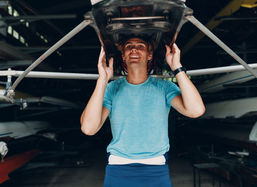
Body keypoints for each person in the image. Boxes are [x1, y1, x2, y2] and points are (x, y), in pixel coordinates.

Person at [80, 37, 205, 187]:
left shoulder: (164, 87)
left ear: (149, 55)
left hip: (156, 169)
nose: (134, 49)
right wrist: (102, 80)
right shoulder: (112, 88)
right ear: (123, 56)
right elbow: (88, 128)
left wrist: (176, 66)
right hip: (118, 169)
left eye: (140, 46)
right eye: (129, 46)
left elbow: (196, 110)